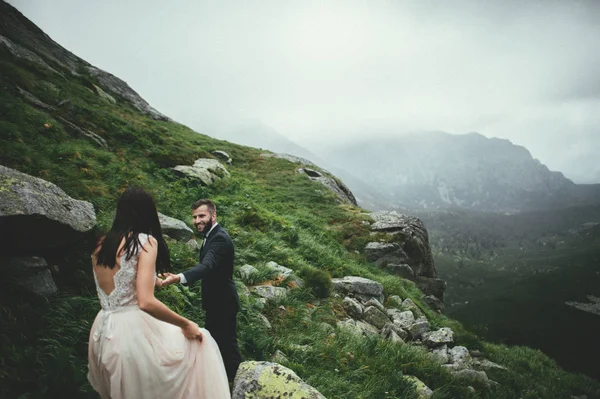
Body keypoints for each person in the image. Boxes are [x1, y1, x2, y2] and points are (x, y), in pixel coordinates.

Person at [87, 188, 231, 399]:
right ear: (147, 212)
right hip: (132, 333)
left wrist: (153, 279)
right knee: (202, 342)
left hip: (102, 329)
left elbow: (119, 280)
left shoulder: (101, 244)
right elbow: (145, 302)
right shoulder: (145, 242)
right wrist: (185, 324)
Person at [161, 199, 242, 381]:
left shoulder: (219, 238)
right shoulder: (212, 236)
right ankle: (223, 382)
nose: (197, 220)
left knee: (228, 349)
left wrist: (179, 277)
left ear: (213, 216)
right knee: (217, 346)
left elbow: (207, 266)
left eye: (202, 216)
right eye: (195, 217)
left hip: (223, 304)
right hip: (216, 303)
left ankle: (242, 385)